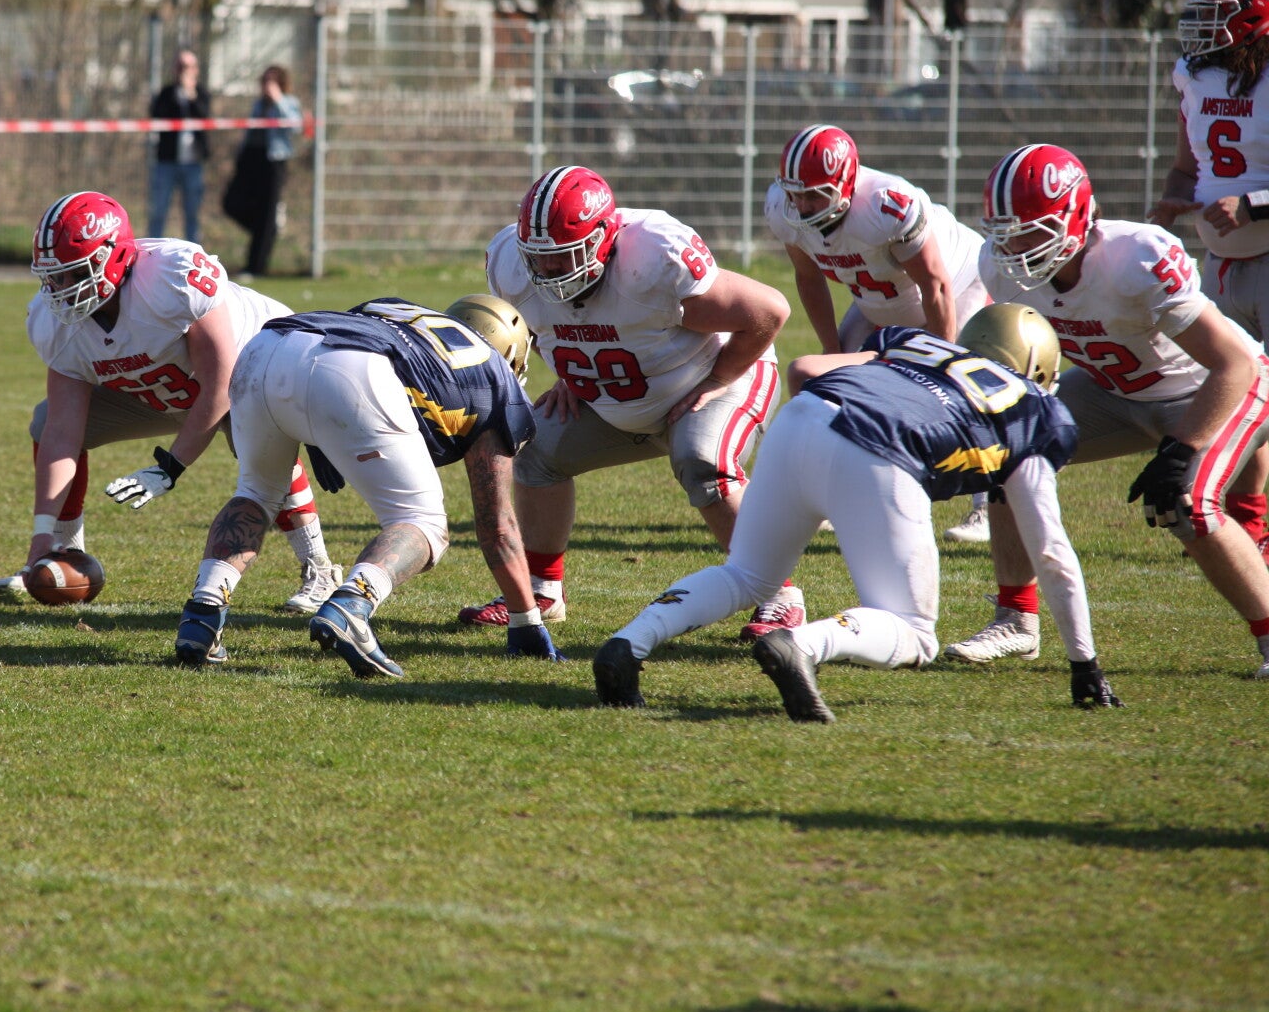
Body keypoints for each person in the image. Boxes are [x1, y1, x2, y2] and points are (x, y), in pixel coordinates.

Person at [594, 305, 1115, 721]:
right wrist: (1084, 663)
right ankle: (801, 644)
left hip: (804, 416)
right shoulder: (1034, 410)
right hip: (878, 448)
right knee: (915, 632)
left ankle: (629, 641)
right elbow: (1050, 553)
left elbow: (809, 370)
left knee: (748, 575)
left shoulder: (916, 343)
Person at [961, 143, 1269, 677]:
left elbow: (1235, 364)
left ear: (1077, 217)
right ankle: (1016, 619)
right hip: (1117, 392)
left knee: (1186, 502)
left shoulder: (1135, 258)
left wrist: (1183, 449)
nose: (1014, 247)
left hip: (1217, 388)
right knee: (1008, 456)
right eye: (1006, 232)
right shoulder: (1001, 268)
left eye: (1032, 231)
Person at [475, 165, 794, 632]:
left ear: (604, 239)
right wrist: (570, 374)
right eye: (538, 258)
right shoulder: (510, 265)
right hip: (620, 392)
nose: (549, 271)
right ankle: (542, 589)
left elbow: (768, 312)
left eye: (564, 257)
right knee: (533, 445)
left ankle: (779, 594)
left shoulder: (652, 259)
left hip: (712, 376)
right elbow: (539, 330)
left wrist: (719, 378)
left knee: (703, 461)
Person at [177, 295, 555, 676]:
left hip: (268, 347)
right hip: (350, 370)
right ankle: (353, 605)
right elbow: (498, 526)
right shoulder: (496, 379)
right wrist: (526, 621)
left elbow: (329, 345)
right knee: (423, 522)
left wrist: (319, 427)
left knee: (256, 493)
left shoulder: (398, 310)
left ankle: (202, 615)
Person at [4, 191, 340, 612]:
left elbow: (221, 384)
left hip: (255, 369)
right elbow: (61, 432)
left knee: (258, 448)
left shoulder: (172, 277)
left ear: (113, 256)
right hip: (165, 389)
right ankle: (62, 553)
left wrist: (170, 467)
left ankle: (320, 569)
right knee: (45, 420)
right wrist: (41, 535)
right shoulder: (51, 321)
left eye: (74, 274)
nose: (60, 289)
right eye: (53, 277)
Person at [769, 123, 994, 543]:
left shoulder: (886, 206)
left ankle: (988, 508)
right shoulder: (784, 207)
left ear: (845, 183)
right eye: (795, 194)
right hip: (881, 300)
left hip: (957, 286)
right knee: (825, 388)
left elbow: (935, 286)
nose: (801, 205)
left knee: (965, 392)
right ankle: (834, 499)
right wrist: (831, 346)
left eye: (814, 195)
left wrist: (941, 362)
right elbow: (808, 277)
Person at [1147, 0, 1269, 551]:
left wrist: (1253, 206)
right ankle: (1249, 521)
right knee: (1241, 391)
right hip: (1219, 261)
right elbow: (1185, 167)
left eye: (1218, 13)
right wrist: (1172, 201)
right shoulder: (1195, 74)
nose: (1203, 25)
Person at [227, 65, 299, 276]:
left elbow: (295, 127)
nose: (267, 86)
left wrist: (278, 100)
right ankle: (269, 230)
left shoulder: (289, 102)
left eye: (272, 81)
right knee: (232, 203)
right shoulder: (258, 104)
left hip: (273, 161)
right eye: (265, 81)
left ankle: (255, 267)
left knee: (266, 213)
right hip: (251, 159)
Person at [148, 49, 209, 244]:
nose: (184, 70)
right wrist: (178, 94)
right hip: (167, 162)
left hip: (193, 163)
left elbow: (204, 115)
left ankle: (195, 254)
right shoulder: (166, 93)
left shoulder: (202, 93)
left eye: (188, 66)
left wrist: (191, 95)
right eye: (181, 66)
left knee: (192, 213)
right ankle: (152, 251)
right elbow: (157, 114)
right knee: (158, 211)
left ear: (196, 69)